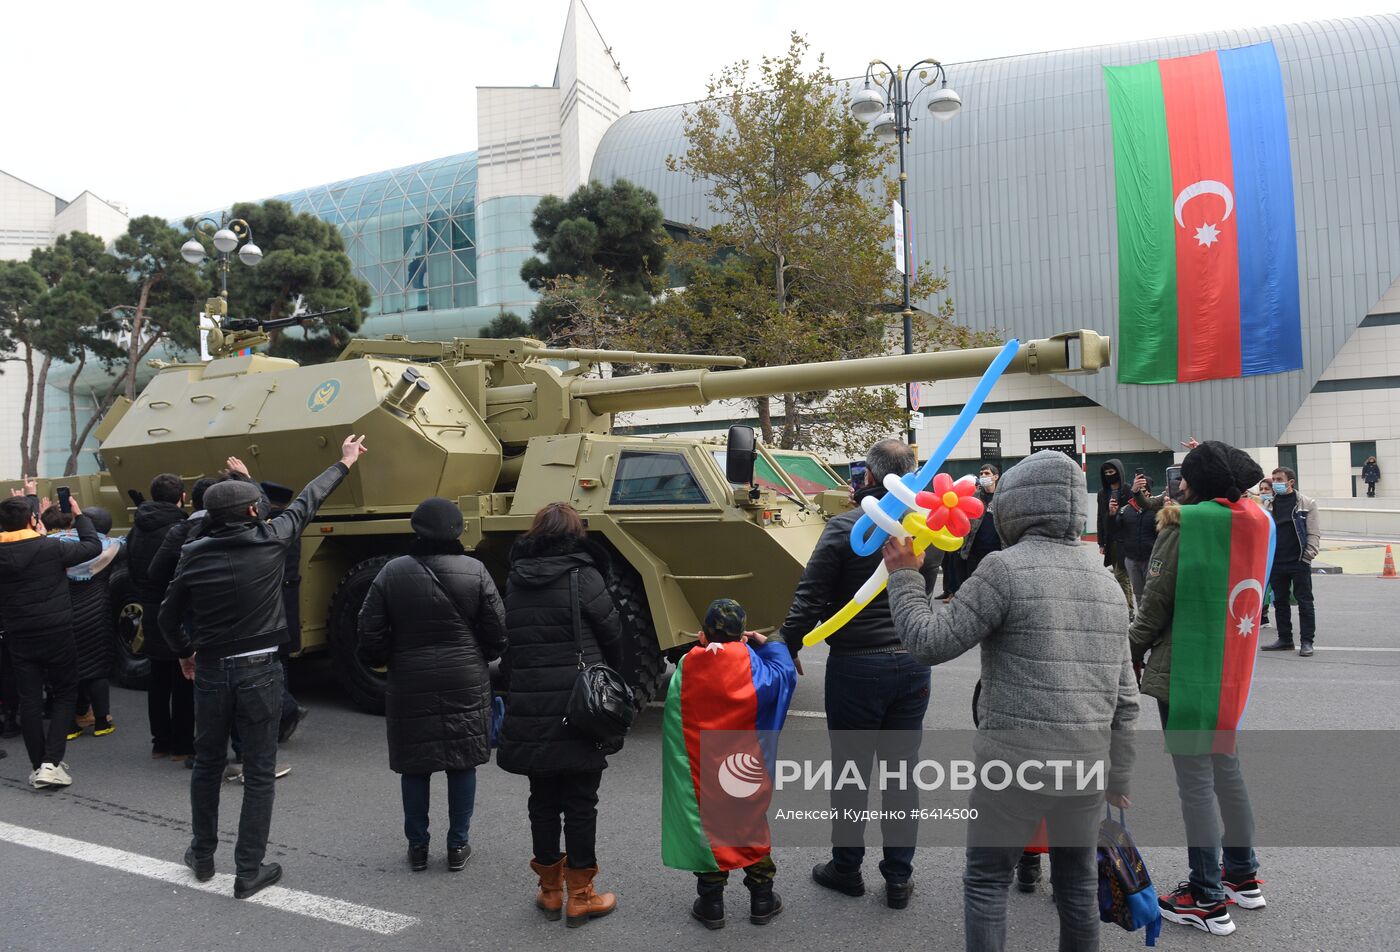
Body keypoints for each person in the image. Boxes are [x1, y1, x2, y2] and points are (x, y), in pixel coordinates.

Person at [882, 450, 1139, 952]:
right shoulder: (1107, 584)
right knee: (1078, 887)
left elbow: (929, 643)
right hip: (1086, 768)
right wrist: (1121, 776)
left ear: (1014, 507)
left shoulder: (1003, 570)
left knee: (986, 882)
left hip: (1012, 766)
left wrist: (905, 576)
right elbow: (1125, 697)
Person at [159, 434, 368, 899]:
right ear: (255, 512)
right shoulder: (273, 539)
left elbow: (167, 618)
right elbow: (308, 499)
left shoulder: (193, 555)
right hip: (260, 671)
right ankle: (248, 870)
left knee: (208, 764)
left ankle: (202, 856)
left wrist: (186, 652)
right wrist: (345, 461)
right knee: (258, 771)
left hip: (211, 672)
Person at [777, 438, 940, 908]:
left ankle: (846, 868)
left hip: (856, 663)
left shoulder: (844, 528)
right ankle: (898, 878)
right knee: (901, 775)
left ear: (869, 478)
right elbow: (921, 590)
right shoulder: (925, 531)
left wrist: (785, 649)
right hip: (911, 661)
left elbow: (808, 600)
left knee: (851, 774)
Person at [1129, 440, 1268, 937]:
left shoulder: (1184, 523)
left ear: (1196, 482)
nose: (1179, 485)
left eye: (1185, 476)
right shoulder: (1256, 520)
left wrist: (1128, 651)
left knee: (1195, 785)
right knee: (1226, 769)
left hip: (1186, 667)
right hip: (1231, 666)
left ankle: (1206, 898)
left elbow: (1154, 603)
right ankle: (1242, 875)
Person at [358, 497, 508, 873]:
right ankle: (457, 846)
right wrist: (479, 655)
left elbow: (369, 632)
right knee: (462, 763)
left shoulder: (392, 572)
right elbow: (497, 632)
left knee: (415, 766)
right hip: (465, 675)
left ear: (417, 528)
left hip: (409, 676)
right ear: (457, 530)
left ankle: (418, 848)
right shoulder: (475, 570)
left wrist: (386, 658)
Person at [497, 502, 624, 928]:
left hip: (532, 705)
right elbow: (613, 633)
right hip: (578, 706)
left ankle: (550, 891)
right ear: (575, 533)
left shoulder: (516, 579)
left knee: (543, 801)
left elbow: (511, 641)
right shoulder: (583, 574)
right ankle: (582, 896)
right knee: (582, 802)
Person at [662, 598, 797, 930]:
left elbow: (674, 715)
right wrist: (774, 646)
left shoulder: (688, 666)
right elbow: (783, 677)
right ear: (742, 635)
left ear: (703, 634)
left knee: (707, 827)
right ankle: (762, 899)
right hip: (742, 767)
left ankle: (711, 903)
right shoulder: (751, 666)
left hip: (701, 767)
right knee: (749, 822)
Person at [0, 493, 101, 788]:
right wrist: (79, 515)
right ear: (32, 520)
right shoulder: (51, 548)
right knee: (66, 693)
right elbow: (92, 546)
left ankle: (38, 764)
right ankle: (51, 763)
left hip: (19, 633)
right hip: (57, 631)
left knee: (29, 700)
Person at [127, 473, 195, 763]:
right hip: (177, 607)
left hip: (149, 605)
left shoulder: (137, 528)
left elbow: (130, 565)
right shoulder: (181, 528)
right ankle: (182, 744)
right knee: (184, 676)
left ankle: (160, 742)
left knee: (157, 677)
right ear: (182, 497)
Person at [45, 505, 123, 739]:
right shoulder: (113, 547)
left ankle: (69, 725)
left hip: (63, 613)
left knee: (66, 670)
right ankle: (102, 722)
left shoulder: (57, 545)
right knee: (98, 670)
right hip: (97, 615)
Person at [262, 481, 309, 743]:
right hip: (288, 597)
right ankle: (281, 721)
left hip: (272, 597)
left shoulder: (271, 525)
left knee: (269, 662)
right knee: (282, 660)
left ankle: (286, 709)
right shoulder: (292, 523)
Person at [1261, 466, 1319, 657]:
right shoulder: (1269, 504)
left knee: (1305, 601)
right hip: (1277, 560)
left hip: (1298, 560)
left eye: (1279, 479)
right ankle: (1285, 639)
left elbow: (1313, 533)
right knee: (1280, 601)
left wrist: (1307, 556)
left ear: (1291, 482)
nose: (1275, 483)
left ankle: (1307, 642)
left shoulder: (1306, 503)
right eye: (1274, 479)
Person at [1097, 458, 1137, 619]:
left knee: (1122, 574)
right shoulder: (1102, 493)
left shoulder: (1128, 490)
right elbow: (1100, 517)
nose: (1109, 475)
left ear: (1119, 472)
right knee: (1121, 574)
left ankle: (1128, 611)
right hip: (1111, 539)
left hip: (1127, 539)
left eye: (1111, 472)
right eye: (1106, 473)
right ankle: (1126, 610)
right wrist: (1101, 541)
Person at [1117, 473, 1160, 603]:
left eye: (1145, 490)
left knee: (1153, 594)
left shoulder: (1158, 509)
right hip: (1132, 559)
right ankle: (1141, 620)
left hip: (1151, 559)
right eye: (1139, 490)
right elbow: (1116, 532)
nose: (1143, 493)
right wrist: (1112, 515)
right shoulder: (1125, 510)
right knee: (1139, 594)